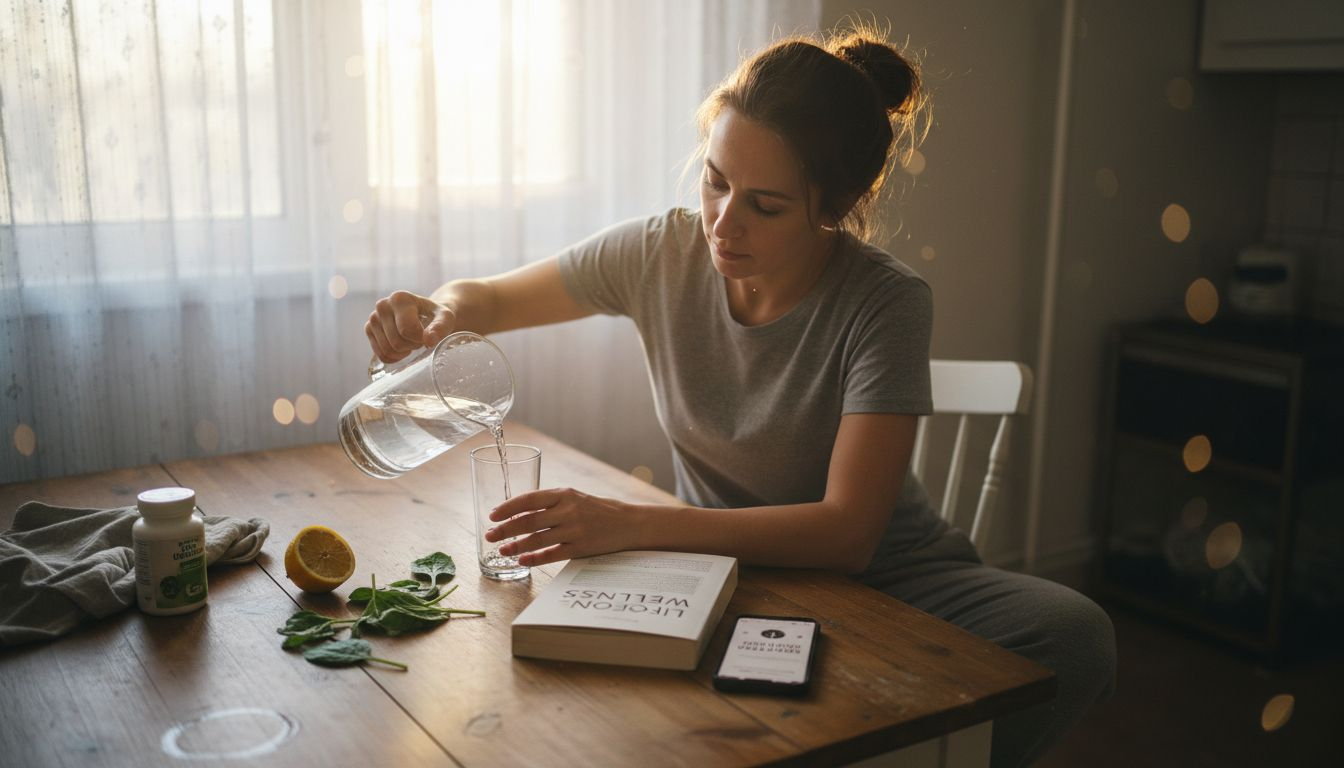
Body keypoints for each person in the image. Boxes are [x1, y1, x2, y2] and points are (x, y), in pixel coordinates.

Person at [365, 23, 1115, 768]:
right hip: (725, 570)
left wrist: (632, 524)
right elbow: (489, 300)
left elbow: (847, 534)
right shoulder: (660, 252)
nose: (723, 223)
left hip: (896, 576)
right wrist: (440, 314)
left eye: (766, 204)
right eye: (716, 180)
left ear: (835, 205)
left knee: (1076, 633)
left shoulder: (885, 301)